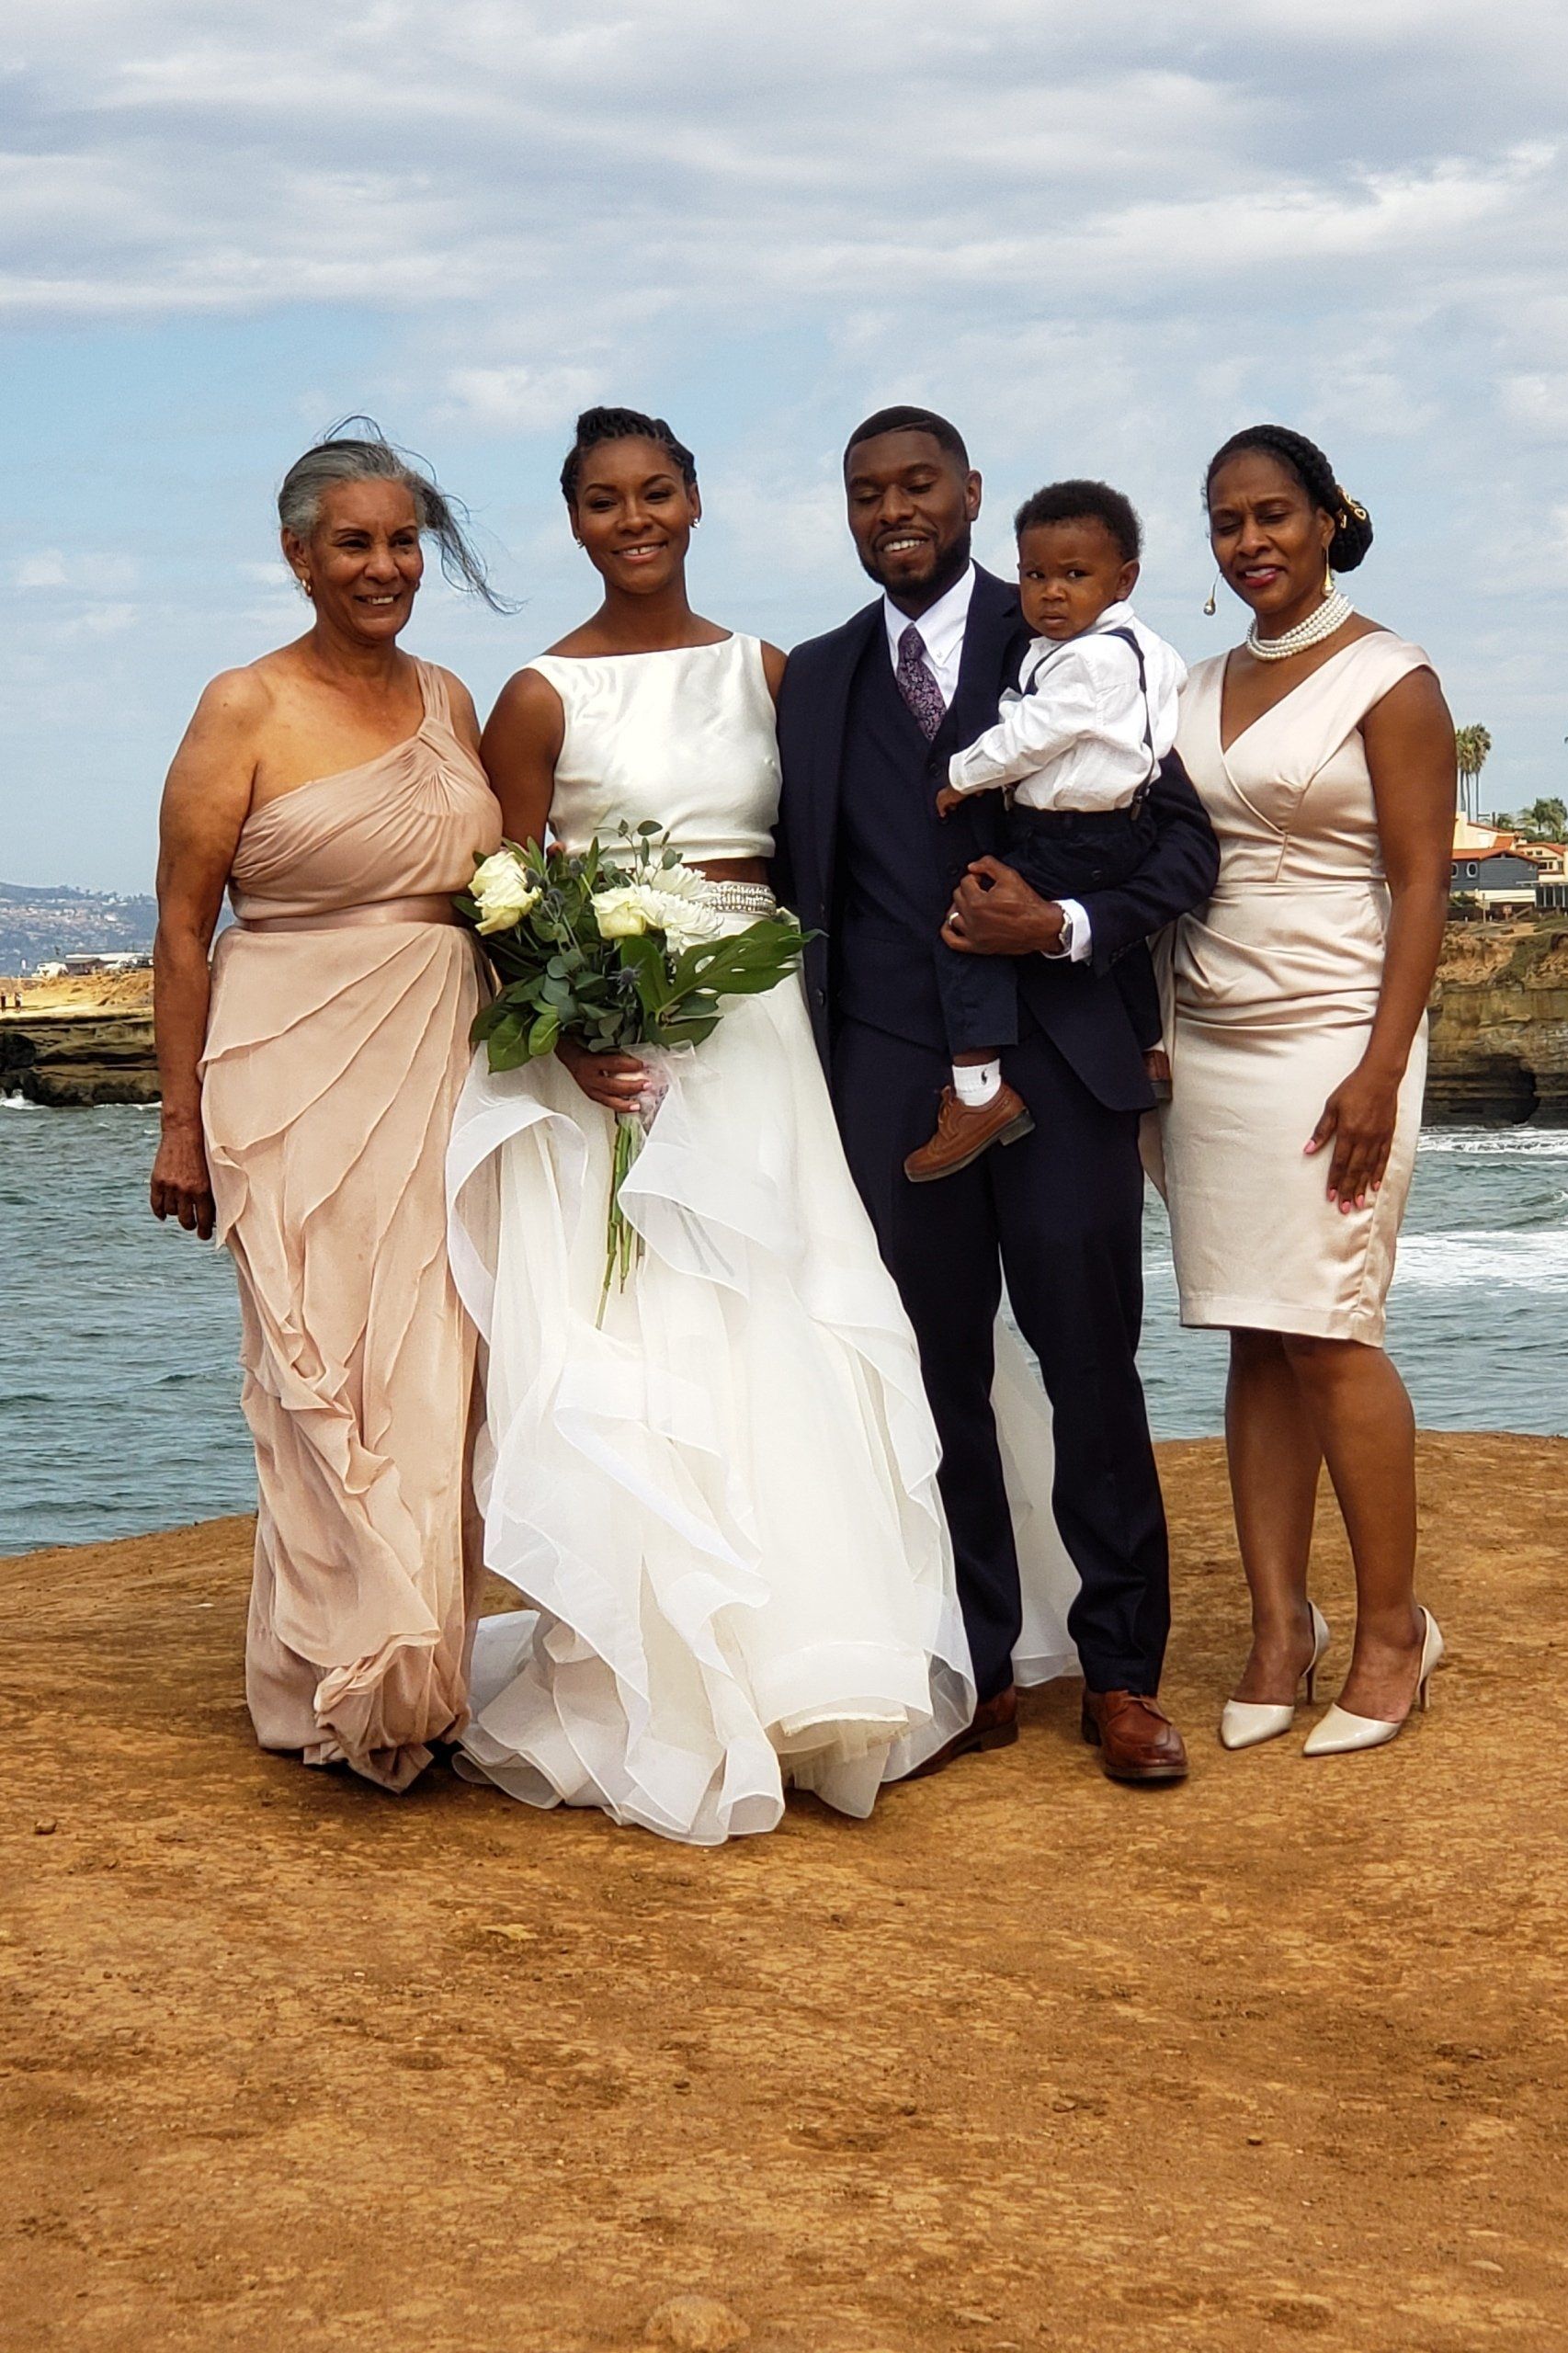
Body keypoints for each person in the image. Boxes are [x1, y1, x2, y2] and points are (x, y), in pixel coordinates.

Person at [445, 406, 1063, 1846]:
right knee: (652, 1331)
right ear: (575, 520)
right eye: (604, 502)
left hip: (764, 1035)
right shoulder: (538, 694)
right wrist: (581, 1024)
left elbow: (844, 862)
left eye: (656, 492)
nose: (633, 519)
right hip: (624, 1055)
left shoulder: (770, 672)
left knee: (794, 1315)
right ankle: (662, 1664)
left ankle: (825, 1653)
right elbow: (499, 896)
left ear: (698, 499)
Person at [774, 406, 1220, 1785]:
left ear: (971, 494)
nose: (893, 511)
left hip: (1066, 1064)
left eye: (918, 486)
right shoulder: (820, 678)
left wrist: (1069, 928)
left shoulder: (1078, 637)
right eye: (866, 493)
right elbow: (809, 888)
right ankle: (974, 1666)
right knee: (935, 1377)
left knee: (1092, 1367)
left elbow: (1185, 847)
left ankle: (1125, 1674)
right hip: (892, 1080)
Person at [149, 424, 505, 1791]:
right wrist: (179, 1125)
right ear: (298, 556)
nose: (383, 565)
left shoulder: (453, 701)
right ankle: (330, 1682)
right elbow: (184, 930)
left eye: (403, 540)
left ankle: (419, 1676)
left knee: (434, 1370)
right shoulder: (243, 705)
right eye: (352, 542)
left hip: (441, 1063)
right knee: (315, 1371)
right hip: (285, 1069)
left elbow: (488, 898)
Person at [1155, 423, 1455, 1757]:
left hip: (1339, 1042)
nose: (1251, 542)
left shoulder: (1394, 680)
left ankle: (1395, 1630)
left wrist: (1384, 1066)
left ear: (1331, 518)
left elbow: (1423, 881)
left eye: (1274, 514)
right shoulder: (1193, 683)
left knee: (1331, 1330)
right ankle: (1283, 1625)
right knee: (1256, 1332)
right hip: (1209, 1045)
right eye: (1228, 523)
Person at [914, 476, 1187, 1180]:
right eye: (1035, 575)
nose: (1051, 593)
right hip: (1124, 827)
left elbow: (1029, 736)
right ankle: (1149, 1047)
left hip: (1071, 831)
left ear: (1123, 580)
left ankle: (978, 1091)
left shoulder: (1088, 661)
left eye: (1074, 575)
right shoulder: (1144, 650)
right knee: (1123, 950)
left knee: (966, 925)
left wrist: (960, 776)